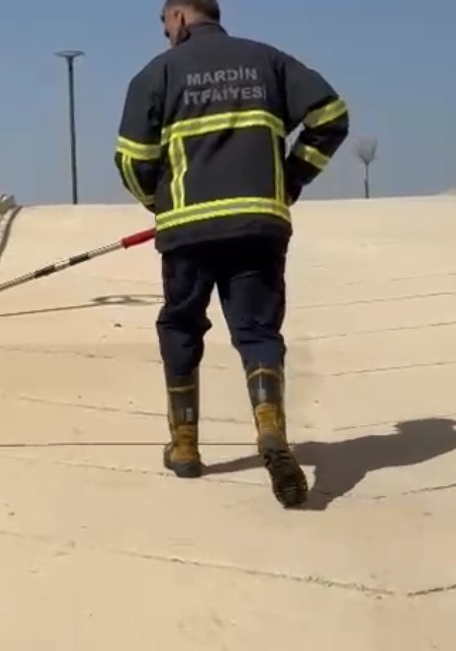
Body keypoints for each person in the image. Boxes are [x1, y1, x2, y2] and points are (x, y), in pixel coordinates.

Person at [113, 0, 349, 507]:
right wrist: (292, 177)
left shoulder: (157, 74)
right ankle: (269, 427)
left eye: (163, 23)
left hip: (188, 230)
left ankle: (185, 447)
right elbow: (331, 116)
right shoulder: (269, 61)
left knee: (181, 324)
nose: (164, 33)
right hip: (258, 222)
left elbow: (131, 159)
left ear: (178, 17)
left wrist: (161, 202)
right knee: (258, 331)